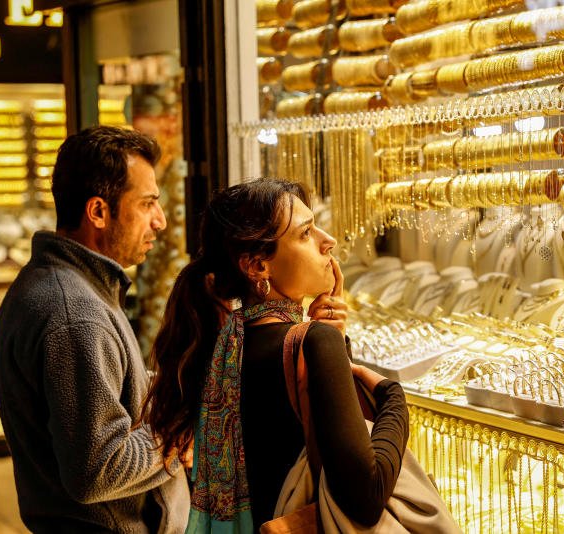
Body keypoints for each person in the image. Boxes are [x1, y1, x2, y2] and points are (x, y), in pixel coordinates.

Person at [141, 178, 409, 532]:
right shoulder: (314, 343)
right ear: (257, 267)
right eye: (306, 233)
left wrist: (334, 339)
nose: (328, 241)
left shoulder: (222, 345)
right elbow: (366, 499)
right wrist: (394, 399)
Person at [0, 125, 190, 533]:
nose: (160, 221)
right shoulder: (74, 314)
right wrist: (174, 436)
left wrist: (178, 390)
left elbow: (113, 387)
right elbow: (97, 469)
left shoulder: (69, 286)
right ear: (98, 211)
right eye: (148, 204)